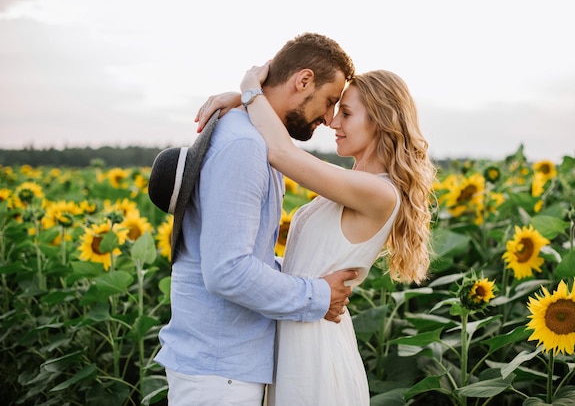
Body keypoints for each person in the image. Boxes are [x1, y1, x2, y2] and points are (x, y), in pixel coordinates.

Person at [197, 62, 436, 405]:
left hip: (313, 346)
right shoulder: (353, 185)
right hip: (299, 325)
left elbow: (281, 152)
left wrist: (250, 89)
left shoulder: (380, 193)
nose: (333, 122)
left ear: (381, 121)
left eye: (347, 114)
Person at [153, 33, 358, 406]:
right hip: (219, 372)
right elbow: (228, 270)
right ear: (303, 80)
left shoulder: (256, 138)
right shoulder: (245, 146)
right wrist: (318, 295)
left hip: (226, 365)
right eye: (330, 102)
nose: (329, 118)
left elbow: (251, 256)